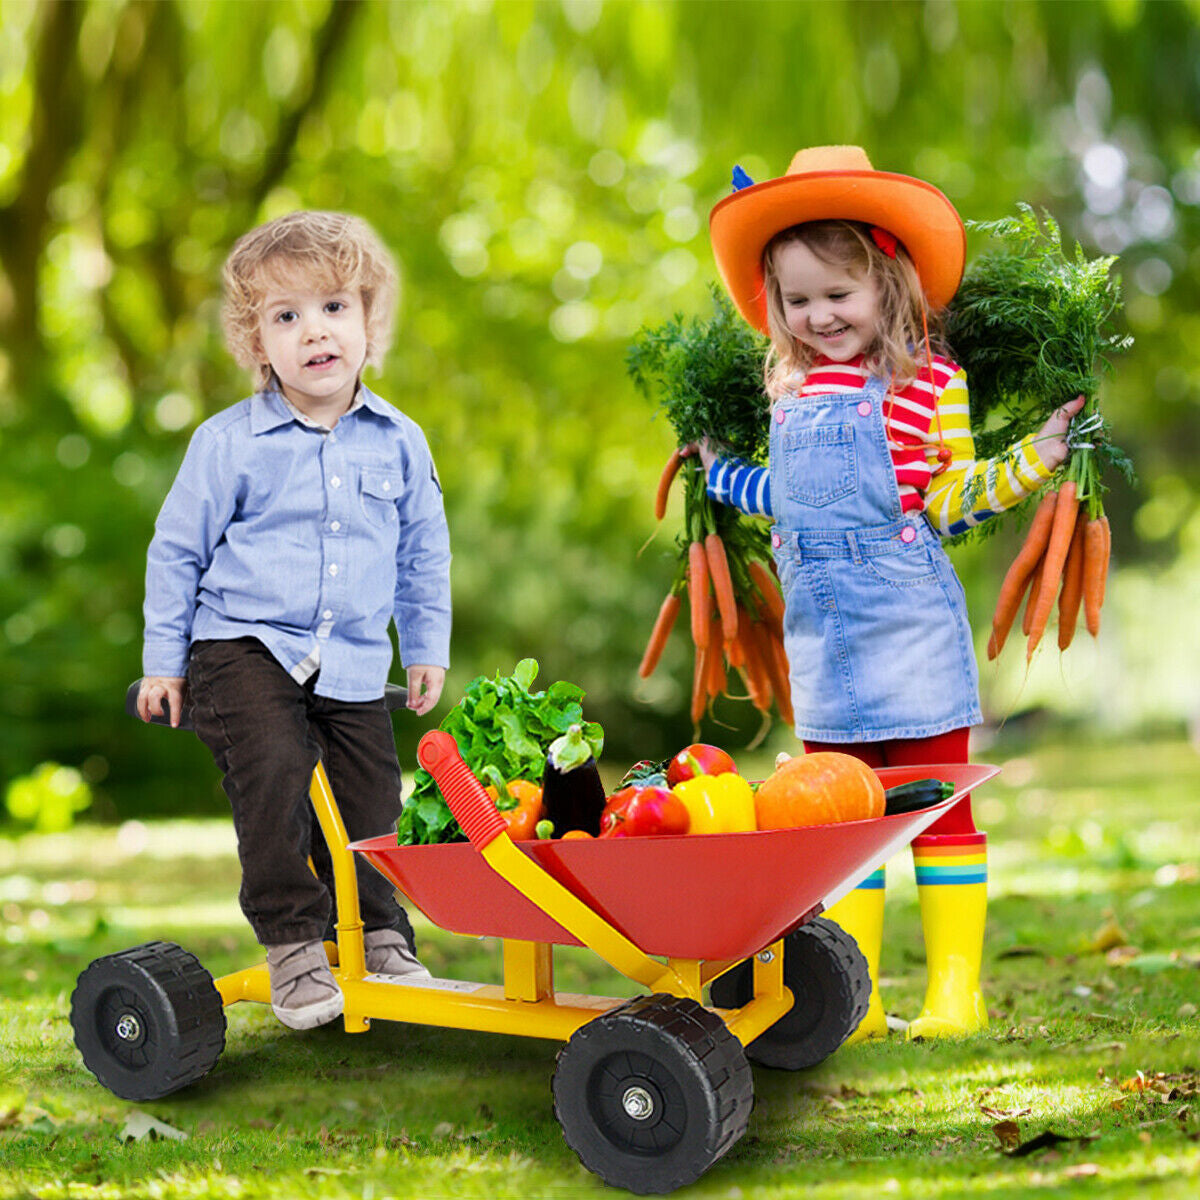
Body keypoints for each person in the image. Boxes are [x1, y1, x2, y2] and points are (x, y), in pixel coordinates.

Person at [696, 146, 1083, 1040]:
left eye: (840, 294)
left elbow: (950, 498)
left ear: (887, 285)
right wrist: (720, 472)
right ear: (777, 307)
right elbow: (782, 501)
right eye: (798, 300)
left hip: (906, 623)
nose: (820, 315)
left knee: (942, 802)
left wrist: (1036, 460)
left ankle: (955, 995)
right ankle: (855, 1006)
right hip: (825, 641)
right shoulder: (785, 394)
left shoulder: (928, 388)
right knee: (837, 820)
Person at [136, 211, 452, 1030]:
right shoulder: (228, 444)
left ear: (369, 323)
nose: (315, 331)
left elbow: (424, 553)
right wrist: (164, 663)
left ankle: (380, 936)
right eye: (286, 316)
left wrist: (424, 648)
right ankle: (294, 947)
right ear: (256, 344)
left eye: (334, 308)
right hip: (241, 644)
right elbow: (176, 552)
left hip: (348, 657)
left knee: (373, 796)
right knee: (274, 770)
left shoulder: (401, 443)